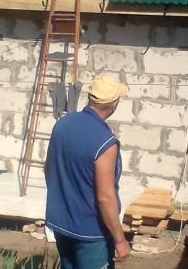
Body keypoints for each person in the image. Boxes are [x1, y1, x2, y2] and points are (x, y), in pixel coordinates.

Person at [44, 75, 131, 269]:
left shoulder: (62, 124)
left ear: (91, 97)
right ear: (113, 104)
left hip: (62, 224)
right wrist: (120, 240)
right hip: (91, 233)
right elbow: (105, 198)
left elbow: (48, 169)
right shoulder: (105, 142)